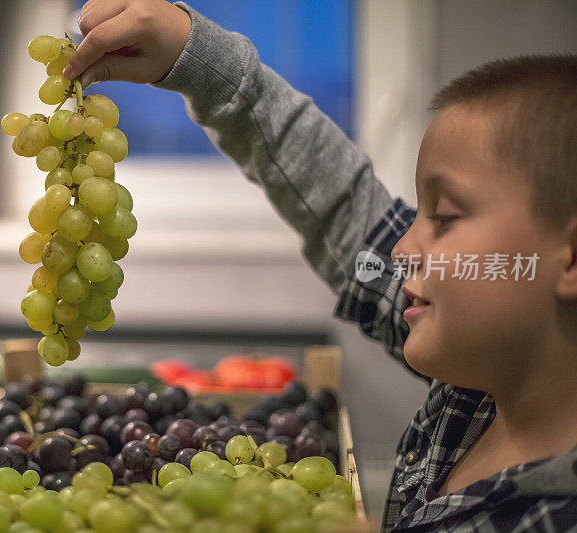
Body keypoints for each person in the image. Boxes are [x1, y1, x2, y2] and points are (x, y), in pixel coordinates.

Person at [65, 1, 577, 530]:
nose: (400, 251)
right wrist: (200, 59)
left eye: (444, 216)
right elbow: (346, 211)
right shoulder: (477, 384)